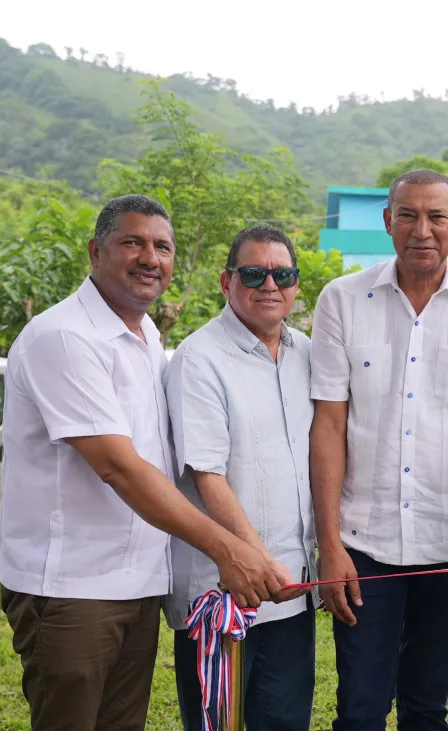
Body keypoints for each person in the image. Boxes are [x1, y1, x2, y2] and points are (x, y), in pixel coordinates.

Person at [0, 195, 277, 731]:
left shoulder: (146, 334)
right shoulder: (64, 337)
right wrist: (229, 550)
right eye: (133, 243)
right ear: (95, 250)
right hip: (73, 588)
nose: (151, 257)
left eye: (163, 247)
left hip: (138, 582)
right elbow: (119, 468)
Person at [309, 169, 448, 731]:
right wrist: (329, 545)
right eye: (407, 215)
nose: (421, 230)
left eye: (436, 217)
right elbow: (329, 424)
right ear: (387, 222)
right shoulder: (342, 300)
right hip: (364, 544)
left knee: (427, 705)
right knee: (359, 707)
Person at [164, 225, 316, 731]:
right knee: (218, 725)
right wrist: (255, 560)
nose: (269, 284)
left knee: (286, 722)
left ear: (296, 285)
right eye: (254, 273)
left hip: (291, 591)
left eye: (283, 274)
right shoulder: (198, 359)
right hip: (223, 594)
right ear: (226, 281)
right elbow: (208, 476)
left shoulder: (308, 354)